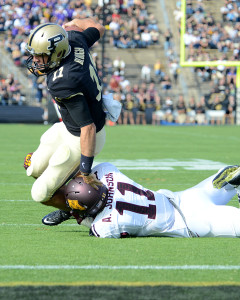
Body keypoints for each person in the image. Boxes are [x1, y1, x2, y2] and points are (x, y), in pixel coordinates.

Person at [24, 18, 121, 214]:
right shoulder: (74, 40)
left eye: (40, 56)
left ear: (57, 53)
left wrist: (85, 171)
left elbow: (88, 128)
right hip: (68, 126)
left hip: (82, 137)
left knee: (40, 193)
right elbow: (99, 27)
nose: (35, 61)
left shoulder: (64, 80)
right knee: (32, 167)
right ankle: (70, 191)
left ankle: (76, 210)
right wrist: (76, 21)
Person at [42, 162, 240, 238]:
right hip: (182, 197)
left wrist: (73, 212)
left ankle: (231, 185)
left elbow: (93, 227)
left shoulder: (107, 224)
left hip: (190, 223)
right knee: (220, 182)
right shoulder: (106, 171)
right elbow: (84, 171)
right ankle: (230, 182)